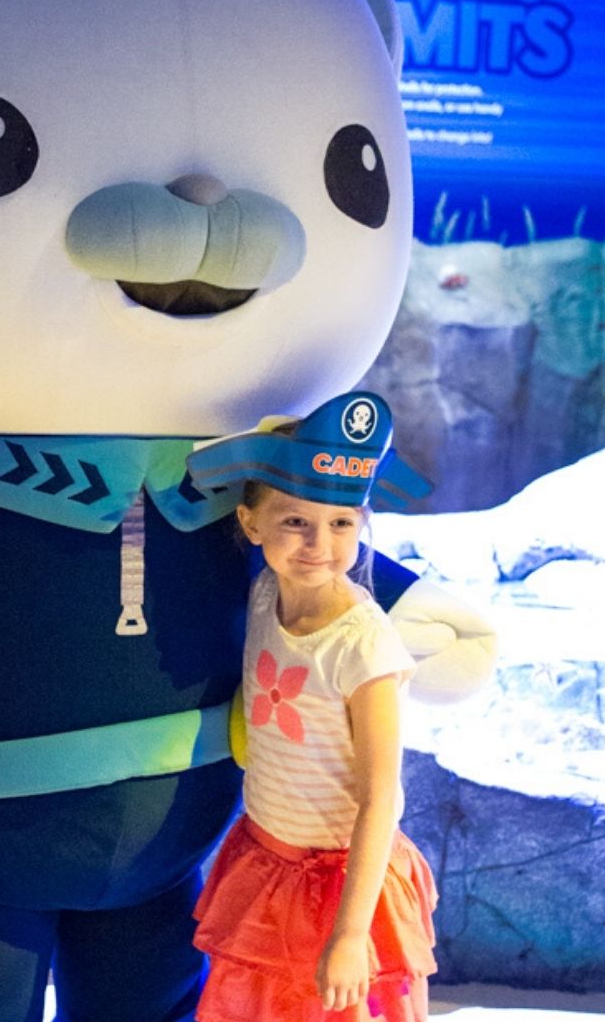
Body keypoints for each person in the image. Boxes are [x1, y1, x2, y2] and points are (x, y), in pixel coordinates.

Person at [185, 393, 438, 1022]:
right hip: (266, 862)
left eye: (342, 523)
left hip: (343, 885)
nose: (318, 544)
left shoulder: (363, 642)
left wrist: (352, 935)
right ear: (251, 525)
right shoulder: (266, 589)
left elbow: (383, 796)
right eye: (295, 522)